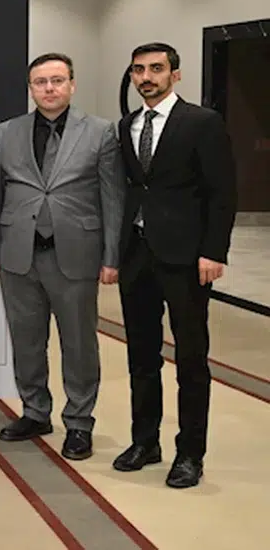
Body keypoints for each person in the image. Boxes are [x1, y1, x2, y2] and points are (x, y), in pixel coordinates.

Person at [0, 53, 123, 460]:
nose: (49, 88)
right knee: (27, 342)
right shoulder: (7, 132)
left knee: (79, 345)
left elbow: (113, 199)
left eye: (57, 80)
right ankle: (35, 411)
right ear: (30, 88)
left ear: (72, 85)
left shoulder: (99, 132)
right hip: (18, 254)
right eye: (40, 82)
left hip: (75, 255)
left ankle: (79, 422)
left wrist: (111, 256)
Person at [112, 42, 235, 489]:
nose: (147, 77)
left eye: (156, 69)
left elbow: (222, 192)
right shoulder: (127, 125)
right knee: (141, 356)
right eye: (139, 70)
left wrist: (214, 251)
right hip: (137, 255)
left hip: (185, 258)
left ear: (175, 74)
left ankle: (190, 453)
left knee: (190, 359)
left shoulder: (202, 122)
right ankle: (145, 441)